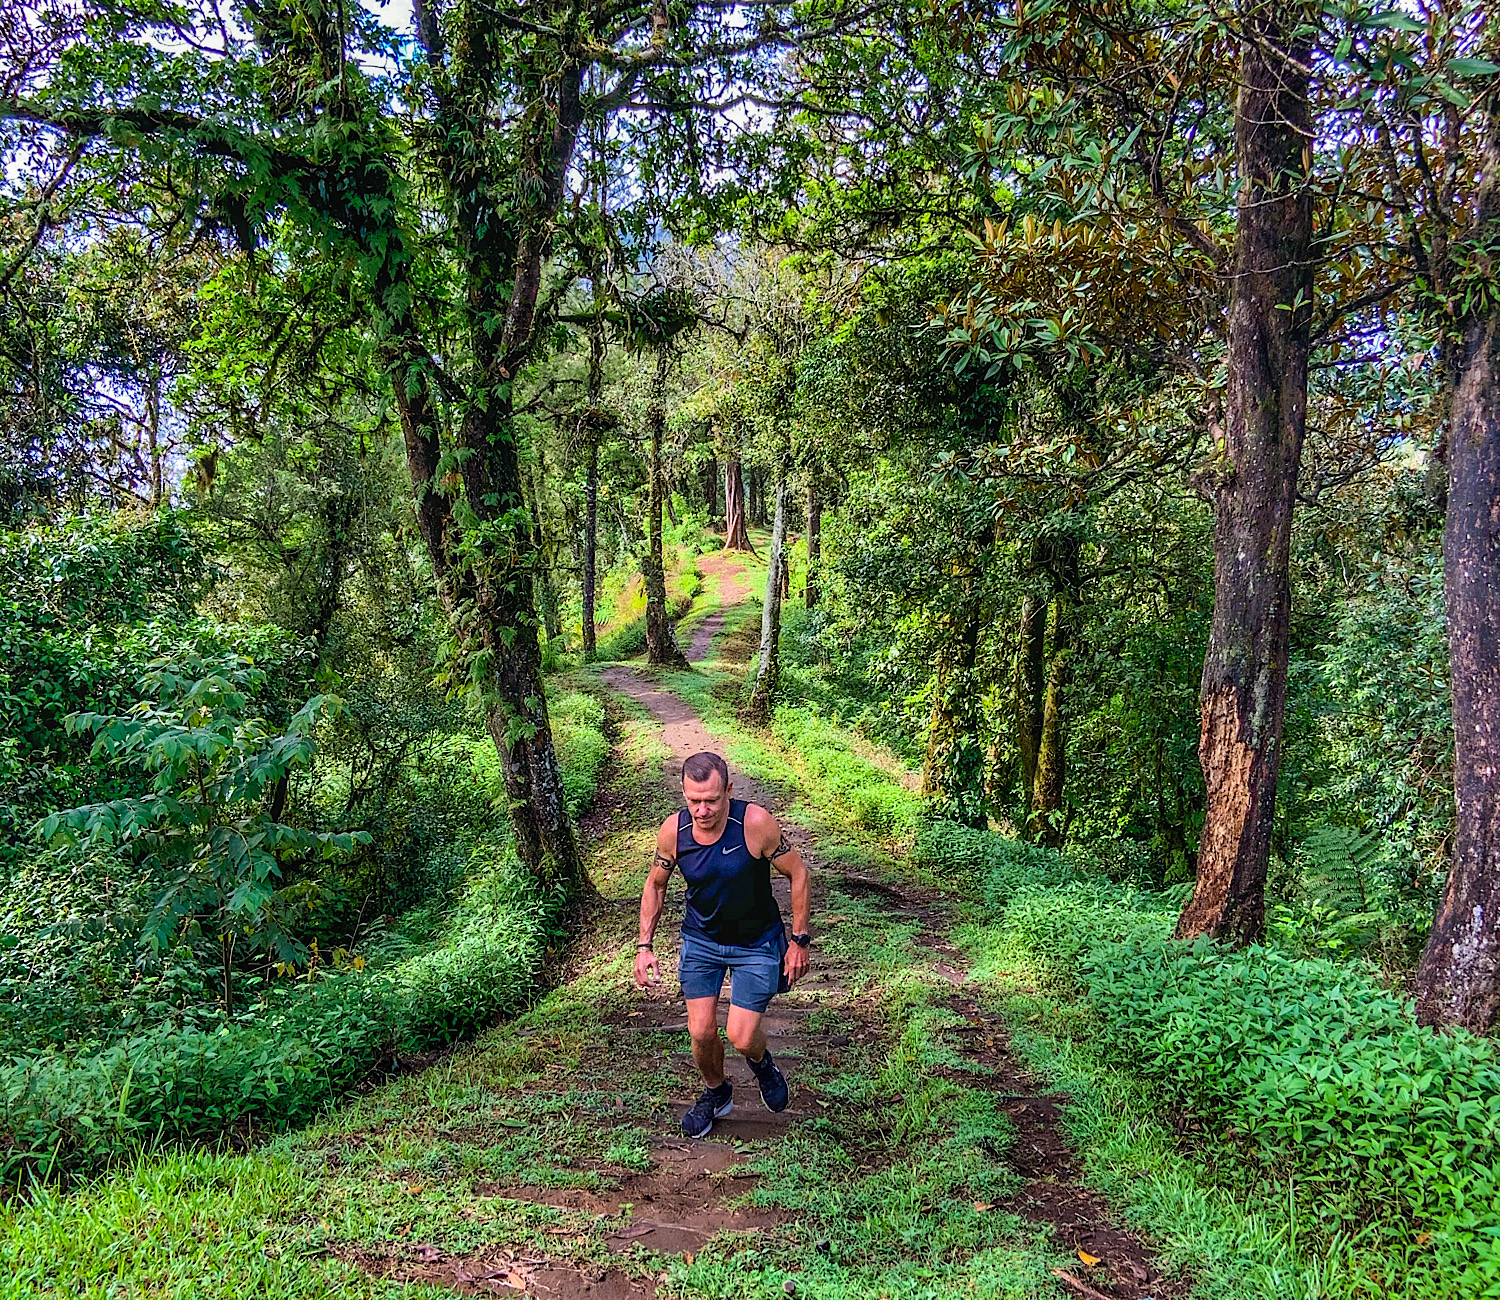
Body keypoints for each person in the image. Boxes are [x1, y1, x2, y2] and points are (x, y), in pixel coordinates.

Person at [633, 750, 813, 1138]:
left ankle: (762, 1064)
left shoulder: (755, 824)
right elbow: (656, 885)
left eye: (711, 800)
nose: (702, 810)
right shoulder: (674, 832)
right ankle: (717, 1093)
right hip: (702, 940)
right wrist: (644, 946)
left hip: (756, 943)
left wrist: (799, 940)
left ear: (728, 790)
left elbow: (798, 874)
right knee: (700, 1031)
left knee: (742, 1035)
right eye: (693, 801)